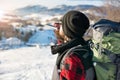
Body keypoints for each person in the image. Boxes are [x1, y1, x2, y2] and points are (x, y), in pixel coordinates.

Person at [51, 10, 96, 80]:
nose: (58, 27)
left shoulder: (72, 58)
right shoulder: (83, 47)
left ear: (67, 29)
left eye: (61, 24)